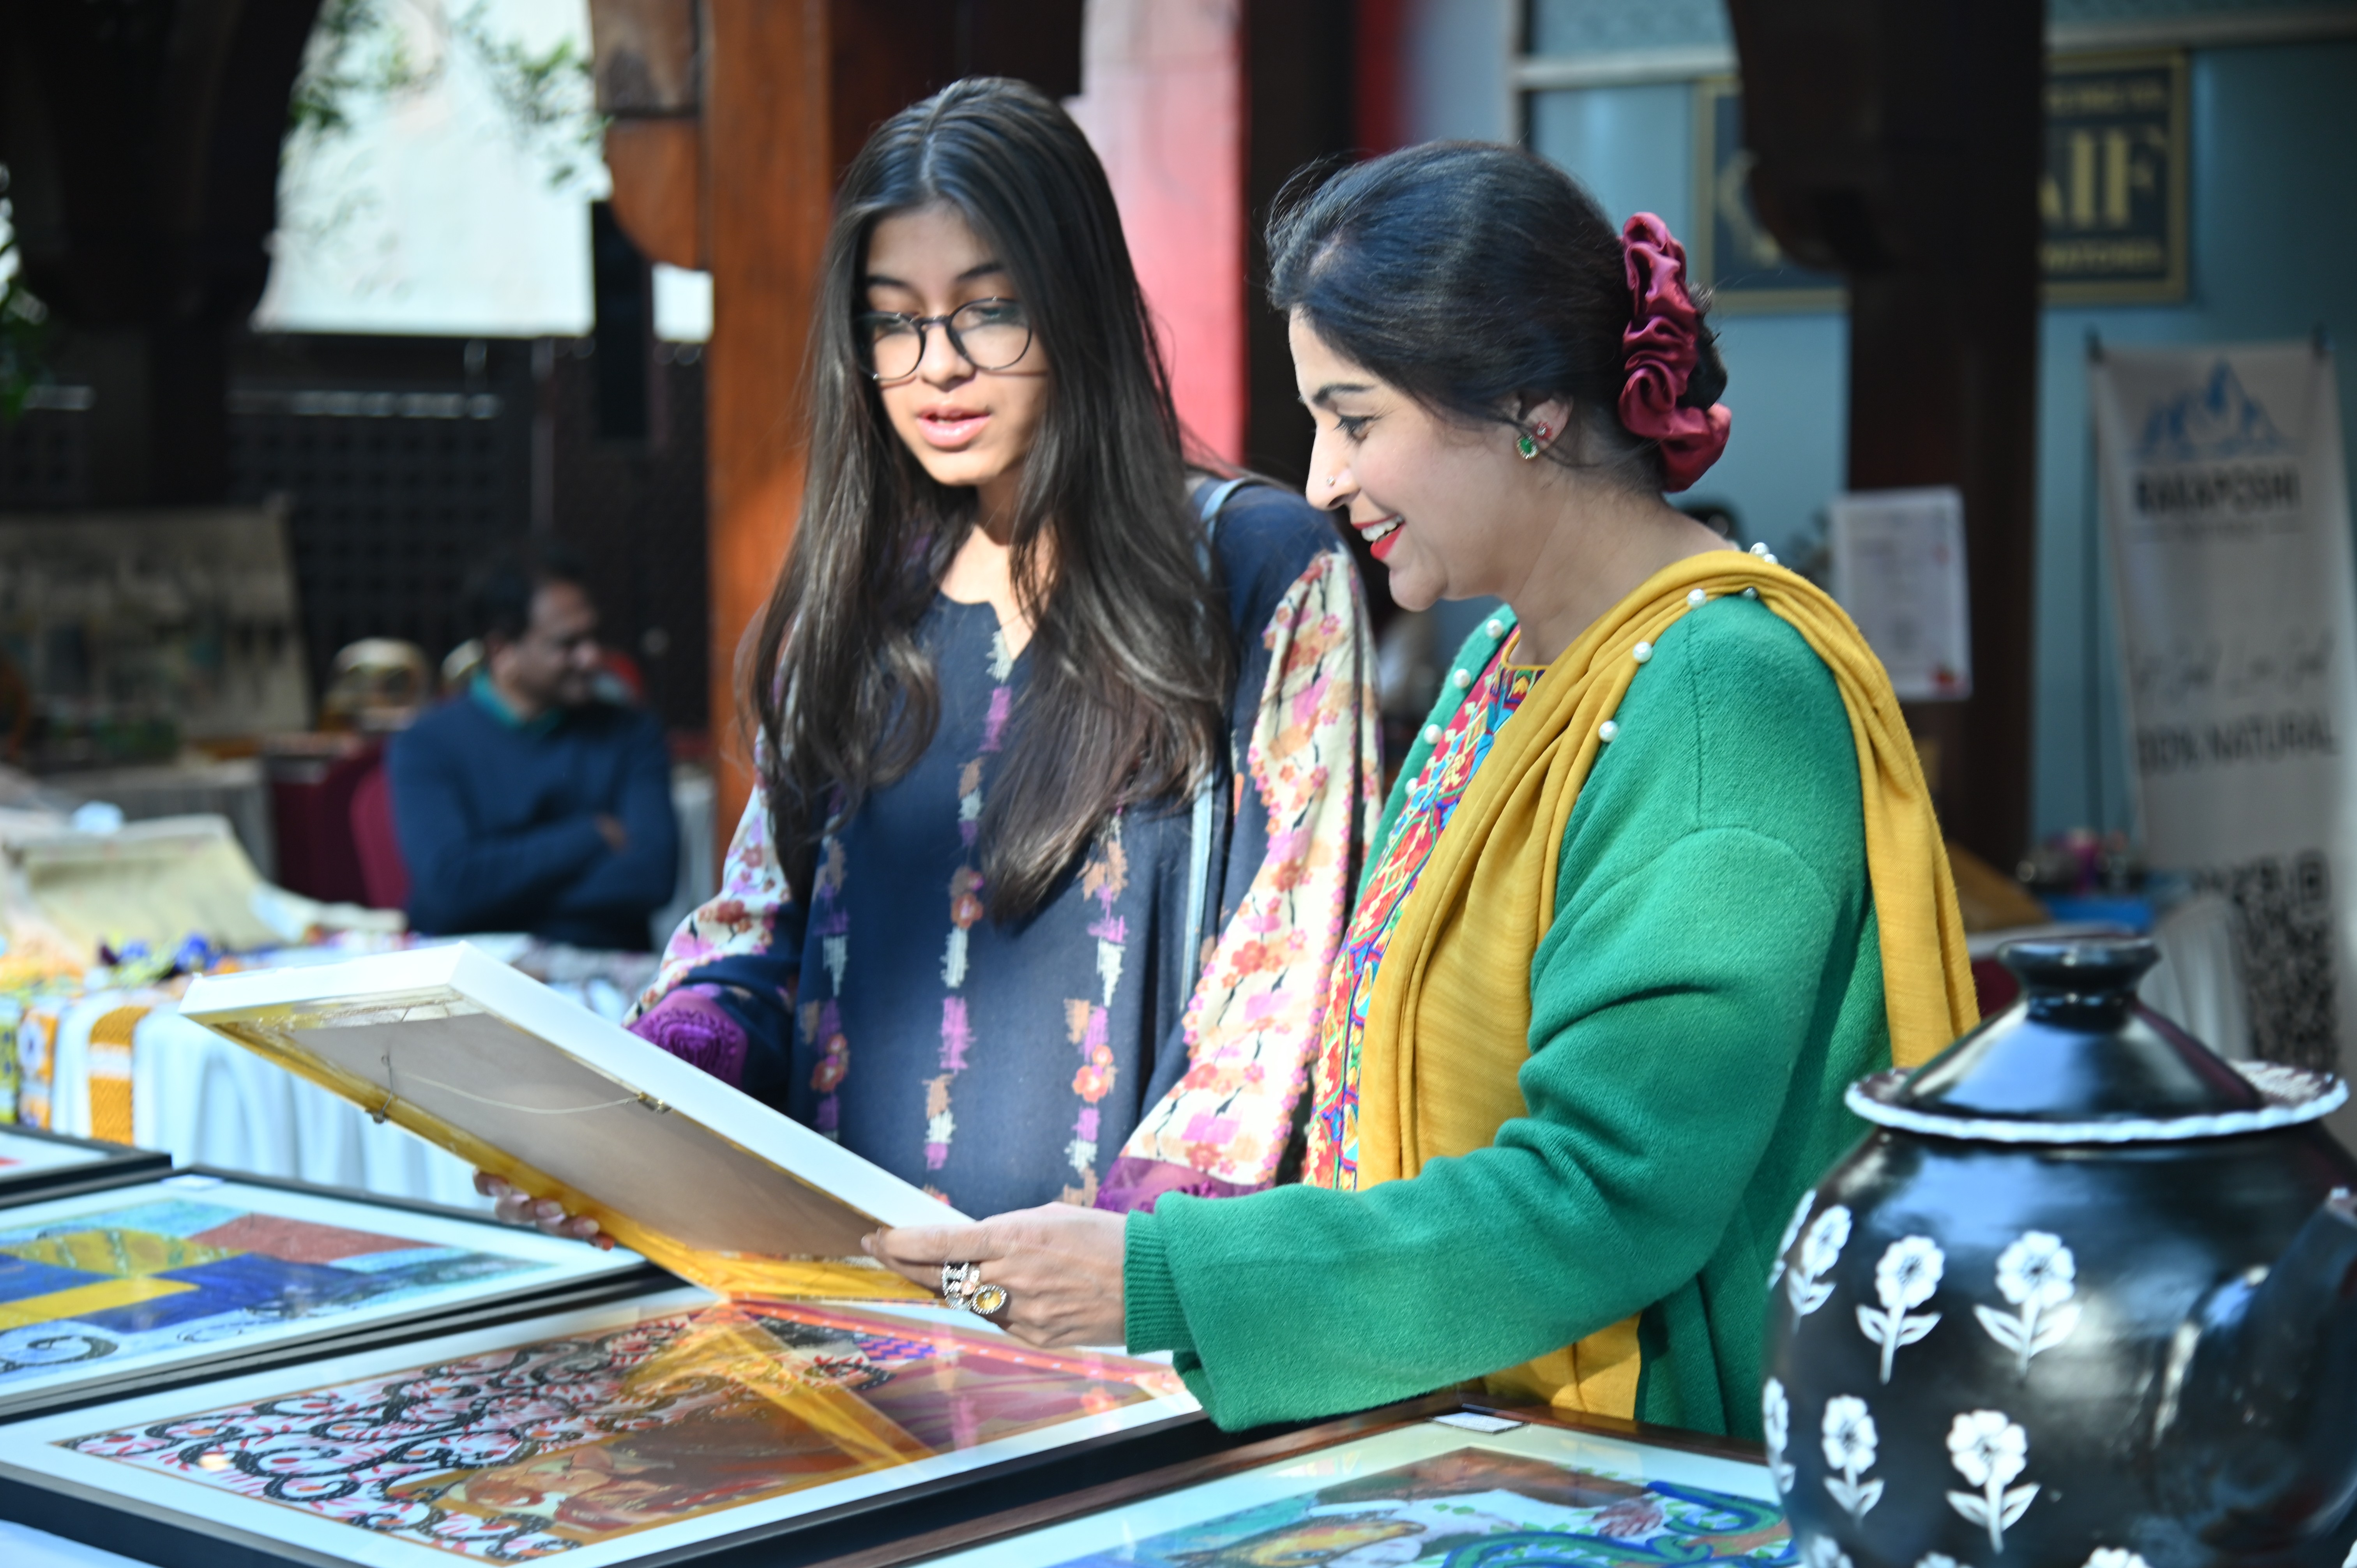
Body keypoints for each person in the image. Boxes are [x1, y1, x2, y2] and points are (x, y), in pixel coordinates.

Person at [862, 143, 1976, 1441]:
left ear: (1528, 407)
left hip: (1662, 1470)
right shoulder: (1504, 668)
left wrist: (1162, 1276)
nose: (1322, 479)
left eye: (1353, 417)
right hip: (1496, 1437)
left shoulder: (1715, 694)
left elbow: (1607, 1194)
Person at [488, 79, 1377, 1243]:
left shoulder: (1261, 570)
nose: (936, 366)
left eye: (989, 310)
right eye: (893, 320)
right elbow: (760, 937)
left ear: (1078, 307)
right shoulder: (851, 606)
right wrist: (630, 1104)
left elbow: (1281, 981)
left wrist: (1138, 1262)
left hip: (1120, 1327)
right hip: (849, 1307)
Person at [389, 543, 679, 952]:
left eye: (594, 635)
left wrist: (493, 890)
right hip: (474, 972)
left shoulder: (632, 732)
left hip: (601, 968)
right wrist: (592, 835)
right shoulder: (427, 744)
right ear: (501, 650)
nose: (592, 656)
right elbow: (447, 889)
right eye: (567, 644)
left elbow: (652, 877)